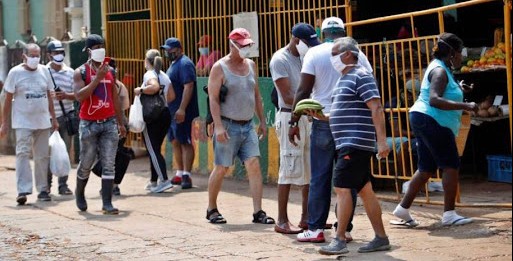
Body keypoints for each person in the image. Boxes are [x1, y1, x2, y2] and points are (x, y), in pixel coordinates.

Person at [393, 33, 478, 227]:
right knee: (450, 165)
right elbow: (435, 99)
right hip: (433, 120)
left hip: (423, 119)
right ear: (451, 53)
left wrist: (459, 88)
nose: (461, 57)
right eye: (459, 53)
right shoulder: (439, 70)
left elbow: (443, 91)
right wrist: (466, 106)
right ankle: (449, 214)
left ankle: (402, 209)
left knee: (426, 169)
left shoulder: (442, 68)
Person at [318, 37, 391, 255]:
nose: (332, 58)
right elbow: (342, 113)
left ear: (348, 54)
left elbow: (376, 107)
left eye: (334, 53)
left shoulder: (361, 76)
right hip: (347, 143)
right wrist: (321, 117)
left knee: (341, 188)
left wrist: (382, 141)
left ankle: (339, 239)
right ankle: (381, 237)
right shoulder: (343, 79)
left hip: (355, 143)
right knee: (365, 191)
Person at [289, 17, 357, 243]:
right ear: (343, 32)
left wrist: (294, 121)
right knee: (348, 177)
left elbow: (303, 90)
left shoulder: (314, 54)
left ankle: (316, 228)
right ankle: (344, 228)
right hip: (349, 122)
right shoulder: (356, 52)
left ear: (323, 33)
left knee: (320, 176)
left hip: (322, 121)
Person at [206, 28, 275, 225]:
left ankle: (258, 211)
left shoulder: (251, 65)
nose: (246, 49)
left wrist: (261, 121)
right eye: (243, 46)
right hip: (228, 125)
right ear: (232, 45)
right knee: (222, 167)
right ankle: (211, 208)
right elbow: (213, 98)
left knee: (253, 165)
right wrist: (218, 126)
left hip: (248, 125)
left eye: (248, 45)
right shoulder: (219, 68)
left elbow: (256, 96)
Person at [269, 23, 320, 234]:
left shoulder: (306, 57)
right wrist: (310, 107)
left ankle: (306, 217)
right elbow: (288, 95)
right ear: (296, 40)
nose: (309, 46)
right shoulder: (279, 59)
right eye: (307, 42)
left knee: (309, 167)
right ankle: (281, 220)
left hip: (306, 115)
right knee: (288, 167)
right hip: (289, 114)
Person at [73, 34, 127, 215]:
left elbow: (115, 98)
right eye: (96, 47)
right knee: (87, 161)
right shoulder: (80, 72)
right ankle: (79, 193)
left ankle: (107, 203)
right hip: (89, 123)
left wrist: (121, 122)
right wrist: (97, 79)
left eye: (102, 46)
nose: (100, 49)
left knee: (109, 163)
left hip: (109, 122)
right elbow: (80, 96)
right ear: (89, 51)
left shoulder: (110, 71)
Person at [0, 43, 59, 205]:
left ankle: (43, 189)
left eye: (37, 55)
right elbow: (7, 99)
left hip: (42, 121)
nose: (35, 58)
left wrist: (53, 118)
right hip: (23, 121)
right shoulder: (15, 73)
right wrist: (4, 122)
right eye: (32, 55)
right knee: (22, 154)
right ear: (24, 56)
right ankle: (23, 190)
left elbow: (49, 96)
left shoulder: (44, 71)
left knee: (42, 156)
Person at [161, 37, 199, 189]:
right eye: (167, 50)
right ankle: (179, 172)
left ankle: (187, 175)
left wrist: (182, 108)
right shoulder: (173, 64)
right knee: (175, 141)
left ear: (179, 49)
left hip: (182, 111)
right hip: (172, 110)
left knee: (185, 141)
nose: (168, 52)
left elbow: (188, 86)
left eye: (170, 50)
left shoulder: (184, 64)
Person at [135, 49, 175, 193]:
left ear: (148, 61)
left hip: (153, 116)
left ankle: (164, 180)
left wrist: (140, 90)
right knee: (154, 149)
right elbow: (171, 96)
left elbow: (154, 87)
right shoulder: (164, 76)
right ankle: (153, 181)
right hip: (164, 113)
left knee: (152, 149)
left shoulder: (149, 74)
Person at [91, 58, 132, 196]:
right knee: (115, 155)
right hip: (119, 123)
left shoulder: (98, 86)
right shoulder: (120, 86)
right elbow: (125, 106)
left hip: (105, 123)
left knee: (107, 156)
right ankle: (113, 185)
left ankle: (108, 186)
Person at [45, 40, 74, 196]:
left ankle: (63, 185)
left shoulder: (70, 72)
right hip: (48, 119)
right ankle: (47, 185)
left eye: (61, 52)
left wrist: (66, 95)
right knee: (48, 152)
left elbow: (78, 94)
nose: (59, 55)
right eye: (55, 53)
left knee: (64, 152)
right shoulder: (44, 72)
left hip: (66, 117)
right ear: (49, 55)